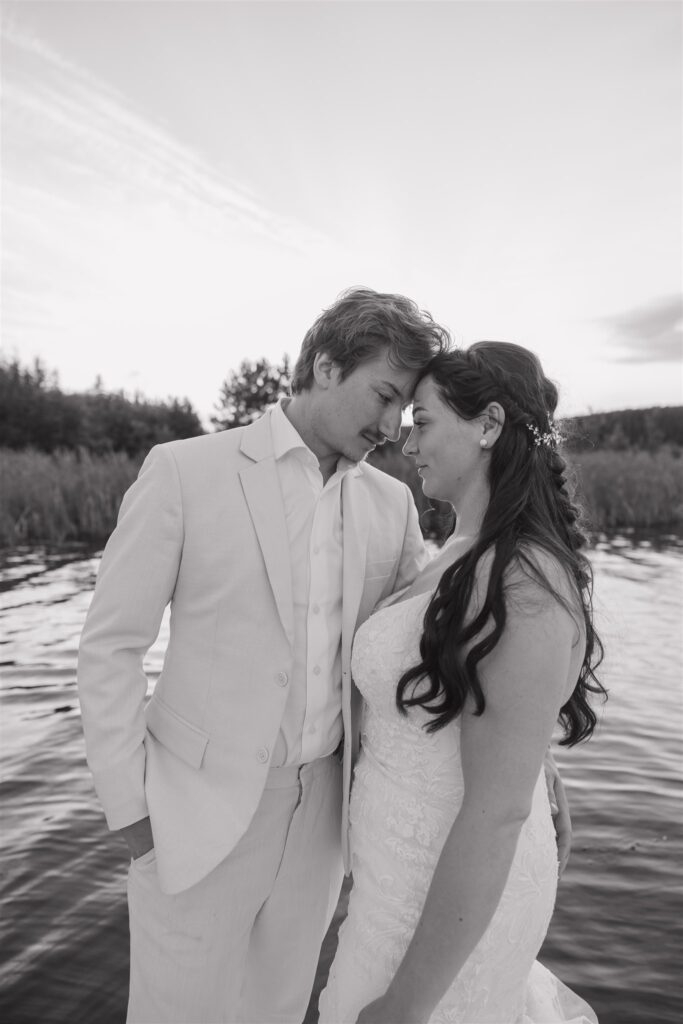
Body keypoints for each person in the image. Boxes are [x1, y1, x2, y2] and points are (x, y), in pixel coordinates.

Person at [77, 287, 448, 1024]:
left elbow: (415, 651)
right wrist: (131, 811)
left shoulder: (390, 504)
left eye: (403, 411)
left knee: (278, 1011)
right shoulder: (184, 470)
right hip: (189, 814)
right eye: (381, 395)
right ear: (321, 365)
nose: (388, 425)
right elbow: (111, 645)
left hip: (324, 822)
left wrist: (534, 761)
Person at [319, 342, 605, 1024]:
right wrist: (533, 755)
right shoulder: (454, 550)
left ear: (487, 424)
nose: (403, 439)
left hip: (447, 897)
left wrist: (407, 1008)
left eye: (422, 420)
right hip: (396, 877)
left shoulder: (522, 581)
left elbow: (498, 810)